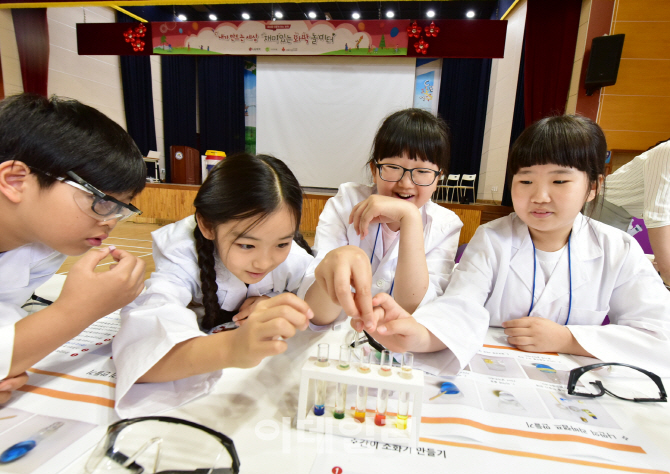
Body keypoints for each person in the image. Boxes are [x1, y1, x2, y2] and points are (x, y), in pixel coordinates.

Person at [366, 115, 670, 377]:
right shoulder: (492, 238)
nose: (539, 196)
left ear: (593, 187)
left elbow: (660, 335)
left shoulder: (619, 249)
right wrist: (419, 335)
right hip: (495, 373)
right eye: (525, 181)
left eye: (559, 182)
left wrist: (567, 339)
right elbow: (460, 306)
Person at [114, 154, 314, 417]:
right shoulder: (180, 252)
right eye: (246, 245)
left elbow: (315, 294)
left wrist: (277, 298)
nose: (265, 261)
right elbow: (143, 356)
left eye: (282, 243)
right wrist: (232, 348)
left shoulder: (294, 256)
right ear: (207, 225)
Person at [0, 94, 147, 403]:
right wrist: (80, 309)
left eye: (121, 208)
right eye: (101, 201)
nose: (111, 222)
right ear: (14, 181)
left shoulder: (43, 248)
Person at [299, 108, 463, 331]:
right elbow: (316, 313)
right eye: (393, 168)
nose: (406, 183)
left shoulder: (446, 225)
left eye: (422, 171)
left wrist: (411, 218)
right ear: (374, 170)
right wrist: (336, 264)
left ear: (438, 179)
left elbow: (415, 307)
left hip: (397, 344)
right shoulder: (345, 203)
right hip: (336, 340)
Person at [587, 139, 670, 286]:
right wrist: (666, 267)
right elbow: (657, 215)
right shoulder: (667, 151)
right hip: (608, 204)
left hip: (627, 208)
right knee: (595, 272)